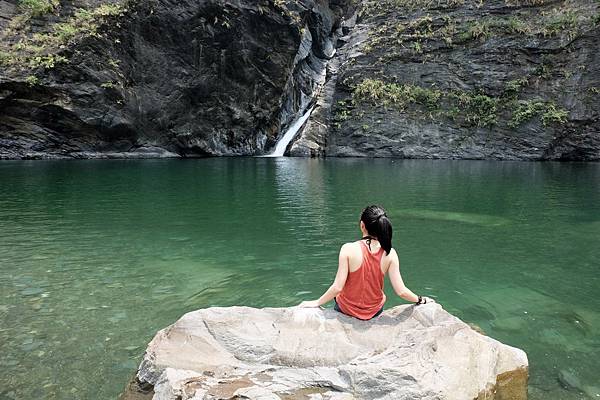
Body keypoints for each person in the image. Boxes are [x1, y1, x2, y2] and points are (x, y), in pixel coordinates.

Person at [297, 205, 434, 320]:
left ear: (362, 225)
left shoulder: (348, 249)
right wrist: (421, 300)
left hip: (346, 310)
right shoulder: (389, 253)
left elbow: (337, 288)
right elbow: (401, 291)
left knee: (340, 297)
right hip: (373, 312)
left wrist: (316, 302)